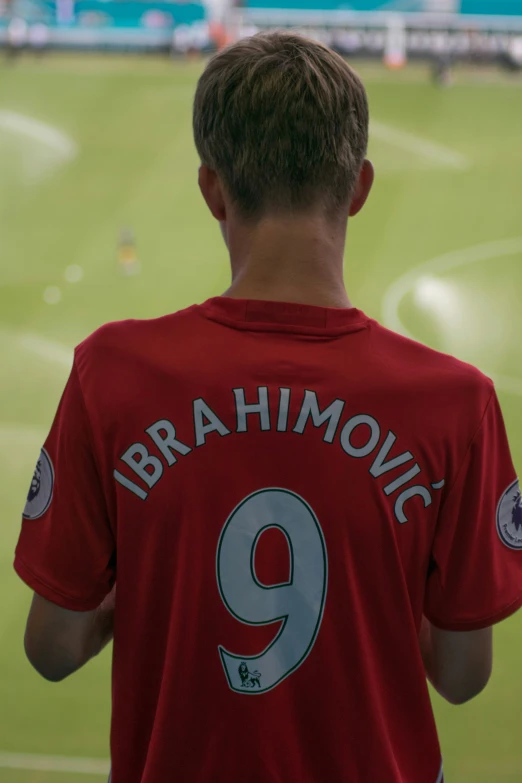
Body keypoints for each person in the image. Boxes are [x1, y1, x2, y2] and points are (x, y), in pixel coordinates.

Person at [14, 32, 522, 783]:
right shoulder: (458, 401)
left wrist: (154, 572)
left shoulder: (111, 374)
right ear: (359, 187)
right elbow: (462, 672)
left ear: (212, 189)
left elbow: (52, 648)